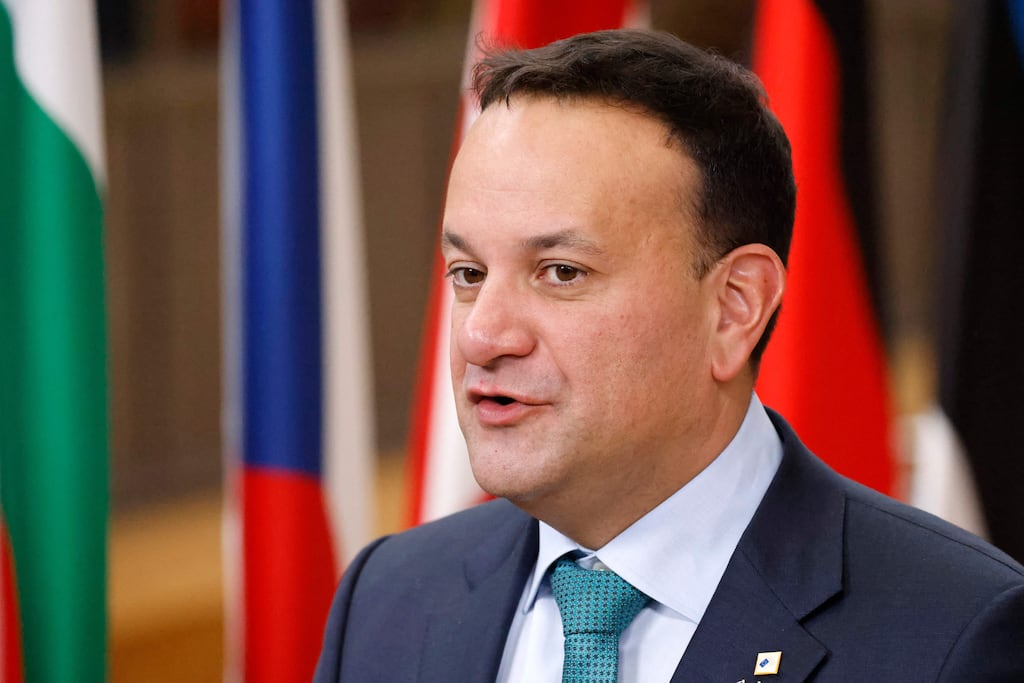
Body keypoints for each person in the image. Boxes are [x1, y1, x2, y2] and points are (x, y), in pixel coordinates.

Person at [314, 29, 1024, 682]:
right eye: (468, 274)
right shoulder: (387, 599)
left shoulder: (953, 635)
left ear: (734, 306)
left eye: (561, 272)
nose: (482, 336)